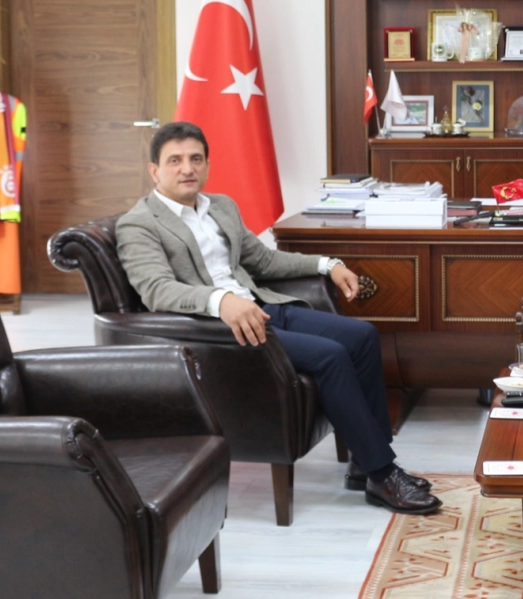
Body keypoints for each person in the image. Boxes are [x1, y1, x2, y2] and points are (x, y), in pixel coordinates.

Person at [116, 121, 441, 516]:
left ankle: (364, 463)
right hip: (221, 328)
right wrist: (220, 301)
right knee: (330, 356)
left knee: (362, 336)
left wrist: (327, 264)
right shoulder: (139, 223)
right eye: (175, 161)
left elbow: (263, 261)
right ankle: (383, 473)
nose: (187, 168)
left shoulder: (220, 206)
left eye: (196, 159)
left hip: (262, 306)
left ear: (207, 165)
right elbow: (156, 290)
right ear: (154, 170)